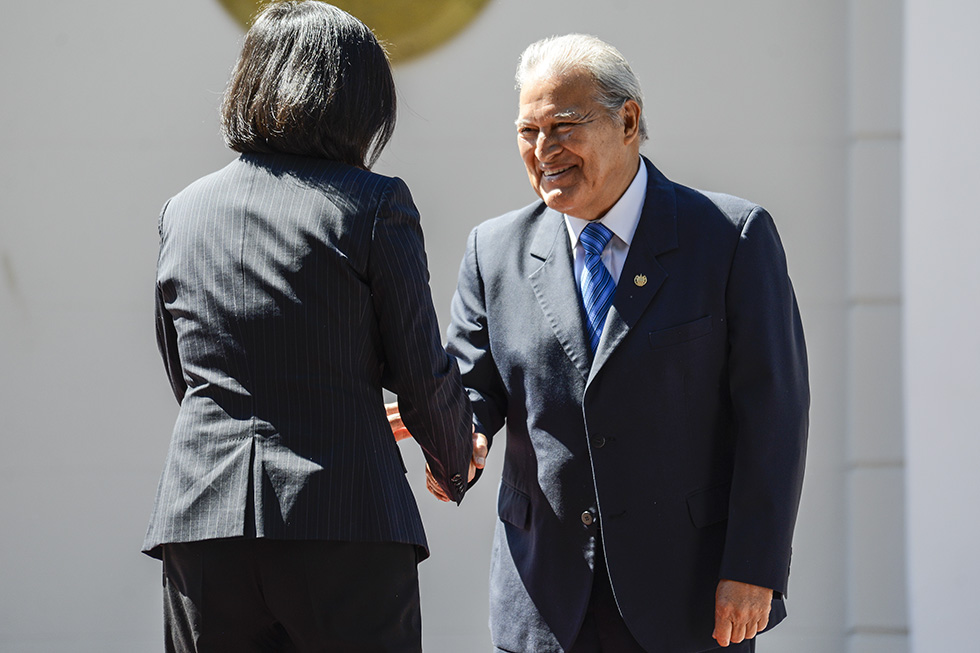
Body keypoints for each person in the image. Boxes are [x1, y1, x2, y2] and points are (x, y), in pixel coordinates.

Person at [405, 34, 809, 652]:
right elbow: (475, 385)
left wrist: (755, 566)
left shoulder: (728, 238)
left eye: (563, 127)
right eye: (527, 131)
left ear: (628, 120)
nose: (543, 151)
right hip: (544, 599)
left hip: (688, 597)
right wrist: (460, 437)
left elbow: (774, 415)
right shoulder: (494, 251)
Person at [142, 2, 474, 651]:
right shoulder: (375, 204)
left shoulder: (182, 212)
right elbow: (419, 368)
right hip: (344, 521)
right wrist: (453, 457)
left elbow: (186, 372)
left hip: (201, 523)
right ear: (358, 101)